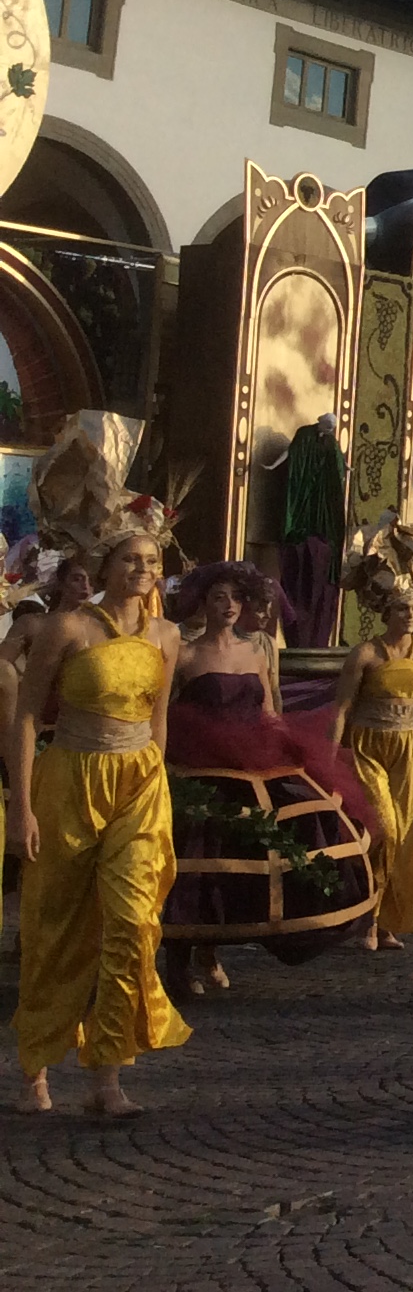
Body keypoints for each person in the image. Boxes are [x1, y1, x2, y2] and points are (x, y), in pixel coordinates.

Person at [8, 418, 190, 1115]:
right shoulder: (67, 628)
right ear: (104, 567)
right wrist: (22, 807)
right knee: (54, 929)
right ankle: (36, 1065)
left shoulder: (169, 636)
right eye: (130, 563)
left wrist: (160, 788)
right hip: (70, 781)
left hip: (139, 784)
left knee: (129, 921)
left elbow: (161, 718)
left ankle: (108, 1074)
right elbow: (27, 716)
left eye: (151, 563)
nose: (143, 573)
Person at [163, 560, 378, 992]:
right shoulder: (184, 654)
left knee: (255, 855)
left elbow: (268, 710)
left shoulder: (258, 649)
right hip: (201, 766)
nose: (228, 606)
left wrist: (285, 750)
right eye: (219, 598)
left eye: (235, 598)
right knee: (196, 860)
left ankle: (217, 949)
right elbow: (165, 712)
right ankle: (182, 957)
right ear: (202, 603)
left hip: (255, 763)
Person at [330, 520, 413, 951]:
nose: (409, 616)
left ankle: (388, 921)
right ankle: (366, 917)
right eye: (402, 609)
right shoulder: (365, 655)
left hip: (412, 751)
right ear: (387, 613)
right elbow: (343, 708)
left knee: (408, 837)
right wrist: (330, 758)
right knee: (382, 827)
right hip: (370, 747)